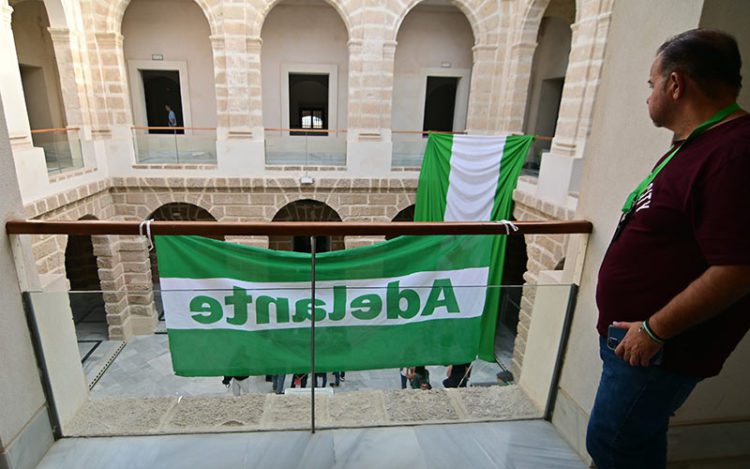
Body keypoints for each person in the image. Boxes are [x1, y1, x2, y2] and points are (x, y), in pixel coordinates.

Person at [586, 29, 750, 469]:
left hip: (658, 345)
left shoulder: (735, 154)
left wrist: (654, 330)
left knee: (613, 444)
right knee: (634, 440)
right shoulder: (698, 145)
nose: (648, 96)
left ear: (675, 85)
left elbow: (737, 269)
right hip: (639, 339)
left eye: (651, 84)